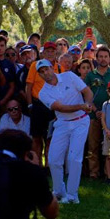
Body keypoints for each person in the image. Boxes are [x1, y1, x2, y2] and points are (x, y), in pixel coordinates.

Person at [37, 59, 93, 204]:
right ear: (40, 75)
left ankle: (73, 196)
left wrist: (88, 103)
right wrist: (81, 105)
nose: (45, 73)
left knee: (74, 158)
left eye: (46, 69)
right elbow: (60, 108)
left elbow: (87, 92)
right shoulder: (43, 93)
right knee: (54, 159)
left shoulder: (69, 76)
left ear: (52, 68)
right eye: (42, 72)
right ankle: (59, 192)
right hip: (62, 123)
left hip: (81, 121)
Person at [85, 46, 110, 179]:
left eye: (105, 56)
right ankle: (94, 173)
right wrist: (96, 110)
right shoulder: (90, 75)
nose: (103, 59)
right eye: (100, 56)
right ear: (96, 58)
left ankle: (109, 173)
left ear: (109, 58)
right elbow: (86, 95)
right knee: (93, 145)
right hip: (94, 115)